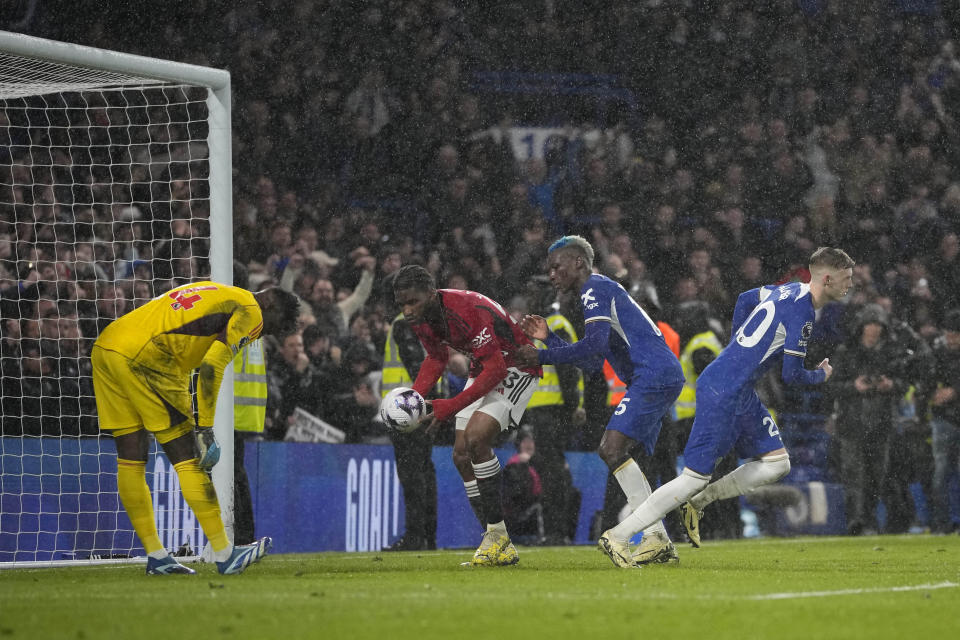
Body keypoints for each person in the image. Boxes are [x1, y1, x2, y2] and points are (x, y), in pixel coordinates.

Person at [599, 247, 853, 565]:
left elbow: (746, 297)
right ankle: (620, 535)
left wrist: (737, 347)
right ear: (827, 278)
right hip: (723, 390)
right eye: (846, 278)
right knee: (692, 476)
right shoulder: (803, 313)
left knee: (778, 463)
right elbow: (791, 375)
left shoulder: (788, 289)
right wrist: (821, 375)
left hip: (737, 387)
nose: (850, 285)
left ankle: (700, 502)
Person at [91, 281, 299, 575]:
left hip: (108, 345)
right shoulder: (251, 310)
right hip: (150, 357)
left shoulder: (218, 291)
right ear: (271, 304)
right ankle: (226, 554)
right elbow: (212, 365)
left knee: (131, 456)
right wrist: (205, 427)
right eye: (271, 327)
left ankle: (157, 556)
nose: (260, 334)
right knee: (188, 460)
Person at [514, 235, 686, 568]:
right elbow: (594, 363)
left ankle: (639, 534)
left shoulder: (594, 289)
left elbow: (592, 346)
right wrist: (549, 338)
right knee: (632, 457)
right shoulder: (596, 294)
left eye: (556, 266)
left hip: (653, 375)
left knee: (611, 450)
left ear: (578, 262)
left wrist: (542, 354)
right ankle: (657, 539)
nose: (551, 275)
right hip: (654, 376)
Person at [392, 265, 541, 567]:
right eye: (402, 304)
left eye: (413, 302)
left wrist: (453, 404)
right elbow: (437, 358)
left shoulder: (464, 309)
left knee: (476, 439)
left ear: (431, 294)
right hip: (485, 366)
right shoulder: (422, 319)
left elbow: (498, 369)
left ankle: (497, 537)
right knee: (460, 457)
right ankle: (498, 542)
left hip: (516, 365)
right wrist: (415, 398)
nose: (407, 311)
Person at [828, 304, 908, 535]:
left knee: (876, 476)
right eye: (870, 325)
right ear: (862, 327)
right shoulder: (846, 352)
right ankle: (856, 521)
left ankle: (869, 518)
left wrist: (890, 385)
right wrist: (854, 386)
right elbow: (832, 386)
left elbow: (903, 383)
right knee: (854, 474)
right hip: (852, 423)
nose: (873, 330)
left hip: (881, 423)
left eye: (877, 326)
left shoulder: (892, 353)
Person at [380, 312, 439, 551]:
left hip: (405, 409)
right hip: (424, 407)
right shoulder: (430, 320)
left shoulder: (402, 323)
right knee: (424, 471)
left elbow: (416, 365)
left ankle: (415, 537)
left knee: (412, 474)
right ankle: (427, 537)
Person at [928, 308, 960, 534]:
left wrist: (955, 391)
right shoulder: (936, 352)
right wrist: (931, 393)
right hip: (943, 419)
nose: (951, 339)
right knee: (940, 474)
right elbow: (925, 379)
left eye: (955, 335)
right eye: (949, 334)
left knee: (944, 473)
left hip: (949, 416)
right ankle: (943, 524)